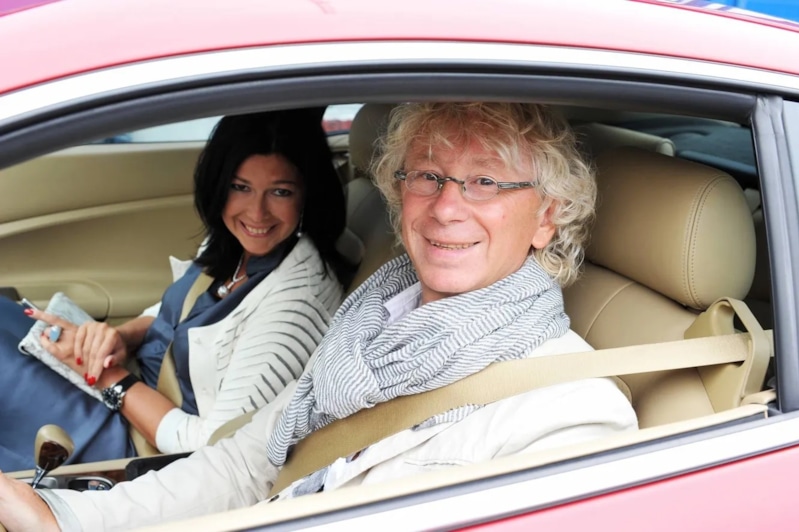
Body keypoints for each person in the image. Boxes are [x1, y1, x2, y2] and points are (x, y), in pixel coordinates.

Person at [0, 102, 637, 532]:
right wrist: (60, 518)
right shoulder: (365, 327)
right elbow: (243, 466)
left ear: (547, 217)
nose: (447, 208)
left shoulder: (571, 413)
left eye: (486, 182)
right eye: (428, 177)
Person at [0, 108, 347, 471]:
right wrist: (118, 339)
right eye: (240, 187)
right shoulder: (236, 245)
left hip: (141, 446)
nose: (257, 213)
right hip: (127, 390)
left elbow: (215, 448)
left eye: (280, 192)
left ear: (307, 194)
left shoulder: (293, 306)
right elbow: (177, 311)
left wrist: (108, 378)